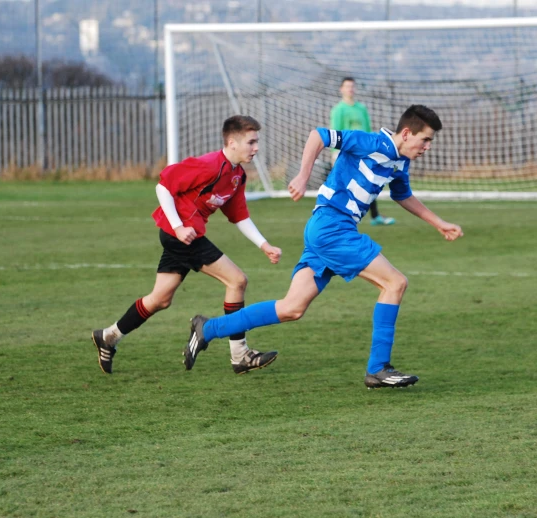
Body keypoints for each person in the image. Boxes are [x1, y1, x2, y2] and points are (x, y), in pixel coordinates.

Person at [184, 105, 463, 389]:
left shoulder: (401, 162)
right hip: (332, 229)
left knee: (292, 308)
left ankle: (208, 328)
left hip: (327, 230)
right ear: (406, 133)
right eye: (425, 139)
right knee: (395, 283)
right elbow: (319, 135)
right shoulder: (371, 142)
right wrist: (304, 176)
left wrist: (438, 223)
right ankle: (378, 368)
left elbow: (403, 196)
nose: (427, 146)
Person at [91, 115, 283, 375]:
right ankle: (240, 355)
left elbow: (239, 215)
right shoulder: (208, 165)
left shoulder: (237, 175)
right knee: (237, 281)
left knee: (160, 299)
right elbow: (164, 186)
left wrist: (264, 245)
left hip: (184, 237)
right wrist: (179, 226)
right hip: (180, 236)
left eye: (256, 142)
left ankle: (109, 336)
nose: (256, 148)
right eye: (251, 142)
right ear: (232, 142)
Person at [330, 77, 395, 226]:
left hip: (363, 153)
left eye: (352, 86)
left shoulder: (361, 108)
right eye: (347, 86)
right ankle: (338, 217)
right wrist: (336, 154)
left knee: (369, 182)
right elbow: (335, 133)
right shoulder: (338, 110)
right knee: (344, 185)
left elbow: (367, 131)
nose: (350, 89)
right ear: (341, 89)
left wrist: (372, 149)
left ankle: (375, 216)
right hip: (346, 154)